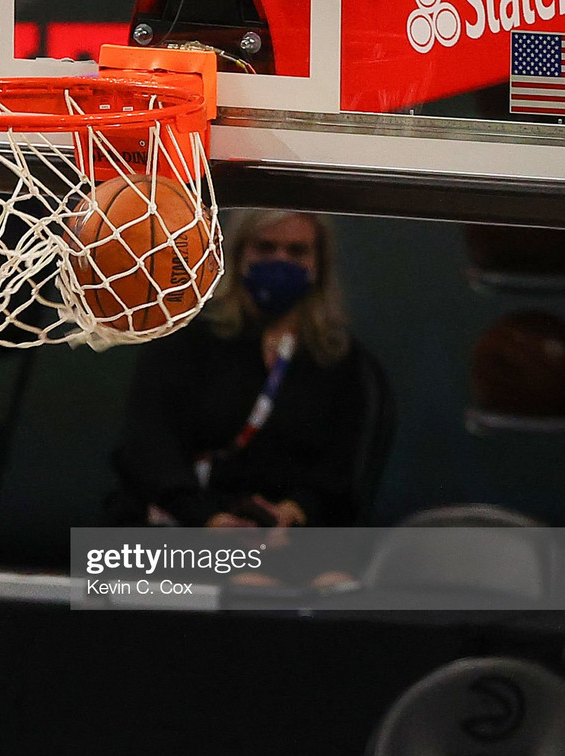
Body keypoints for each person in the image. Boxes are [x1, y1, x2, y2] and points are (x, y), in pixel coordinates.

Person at [111, 209, 378, 585]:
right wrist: (208, 519)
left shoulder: (338, 360)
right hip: (183, 527)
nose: (281, 261)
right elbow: (147, 448)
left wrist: (294, 511)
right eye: (266, 248)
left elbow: (342, 470)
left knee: (333, 586)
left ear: (319, 265)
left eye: (297, 251)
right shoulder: (187, 341)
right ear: (238, 256)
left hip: (288, 538)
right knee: (250, 587)